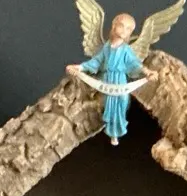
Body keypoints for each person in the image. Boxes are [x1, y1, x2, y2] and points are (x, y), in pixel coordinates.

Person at [66, 14, 157, 145]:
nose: (124, 31)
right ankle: (110, 132)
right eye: (121, 26)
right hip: (107, 80)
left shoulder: (126, 49)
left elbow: (135, 63)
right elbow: (96, 62)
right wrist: (79, 67)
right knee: (108, 104)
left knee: (123, 100)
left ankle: (117, 131)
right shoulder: (107, 47)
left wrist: (147, 72)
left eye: (128, 29)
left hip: (120, 81)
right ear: (114, 26)